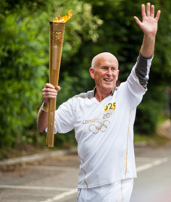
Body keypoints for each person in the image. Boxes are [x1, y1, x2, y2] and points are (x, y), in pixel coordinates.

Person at [37, 3, 161, 202]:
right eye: (104, 68)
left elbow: (143, 66)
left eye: (113, 69)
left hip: (117, 183)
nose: (109, 73)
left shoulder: (127, 95)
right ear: (92, 72)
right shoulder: (77, 103)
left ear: (118, 74)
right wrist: (46, 104)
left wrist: (149, 36)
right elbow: (44, 128)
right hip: (86, 186)